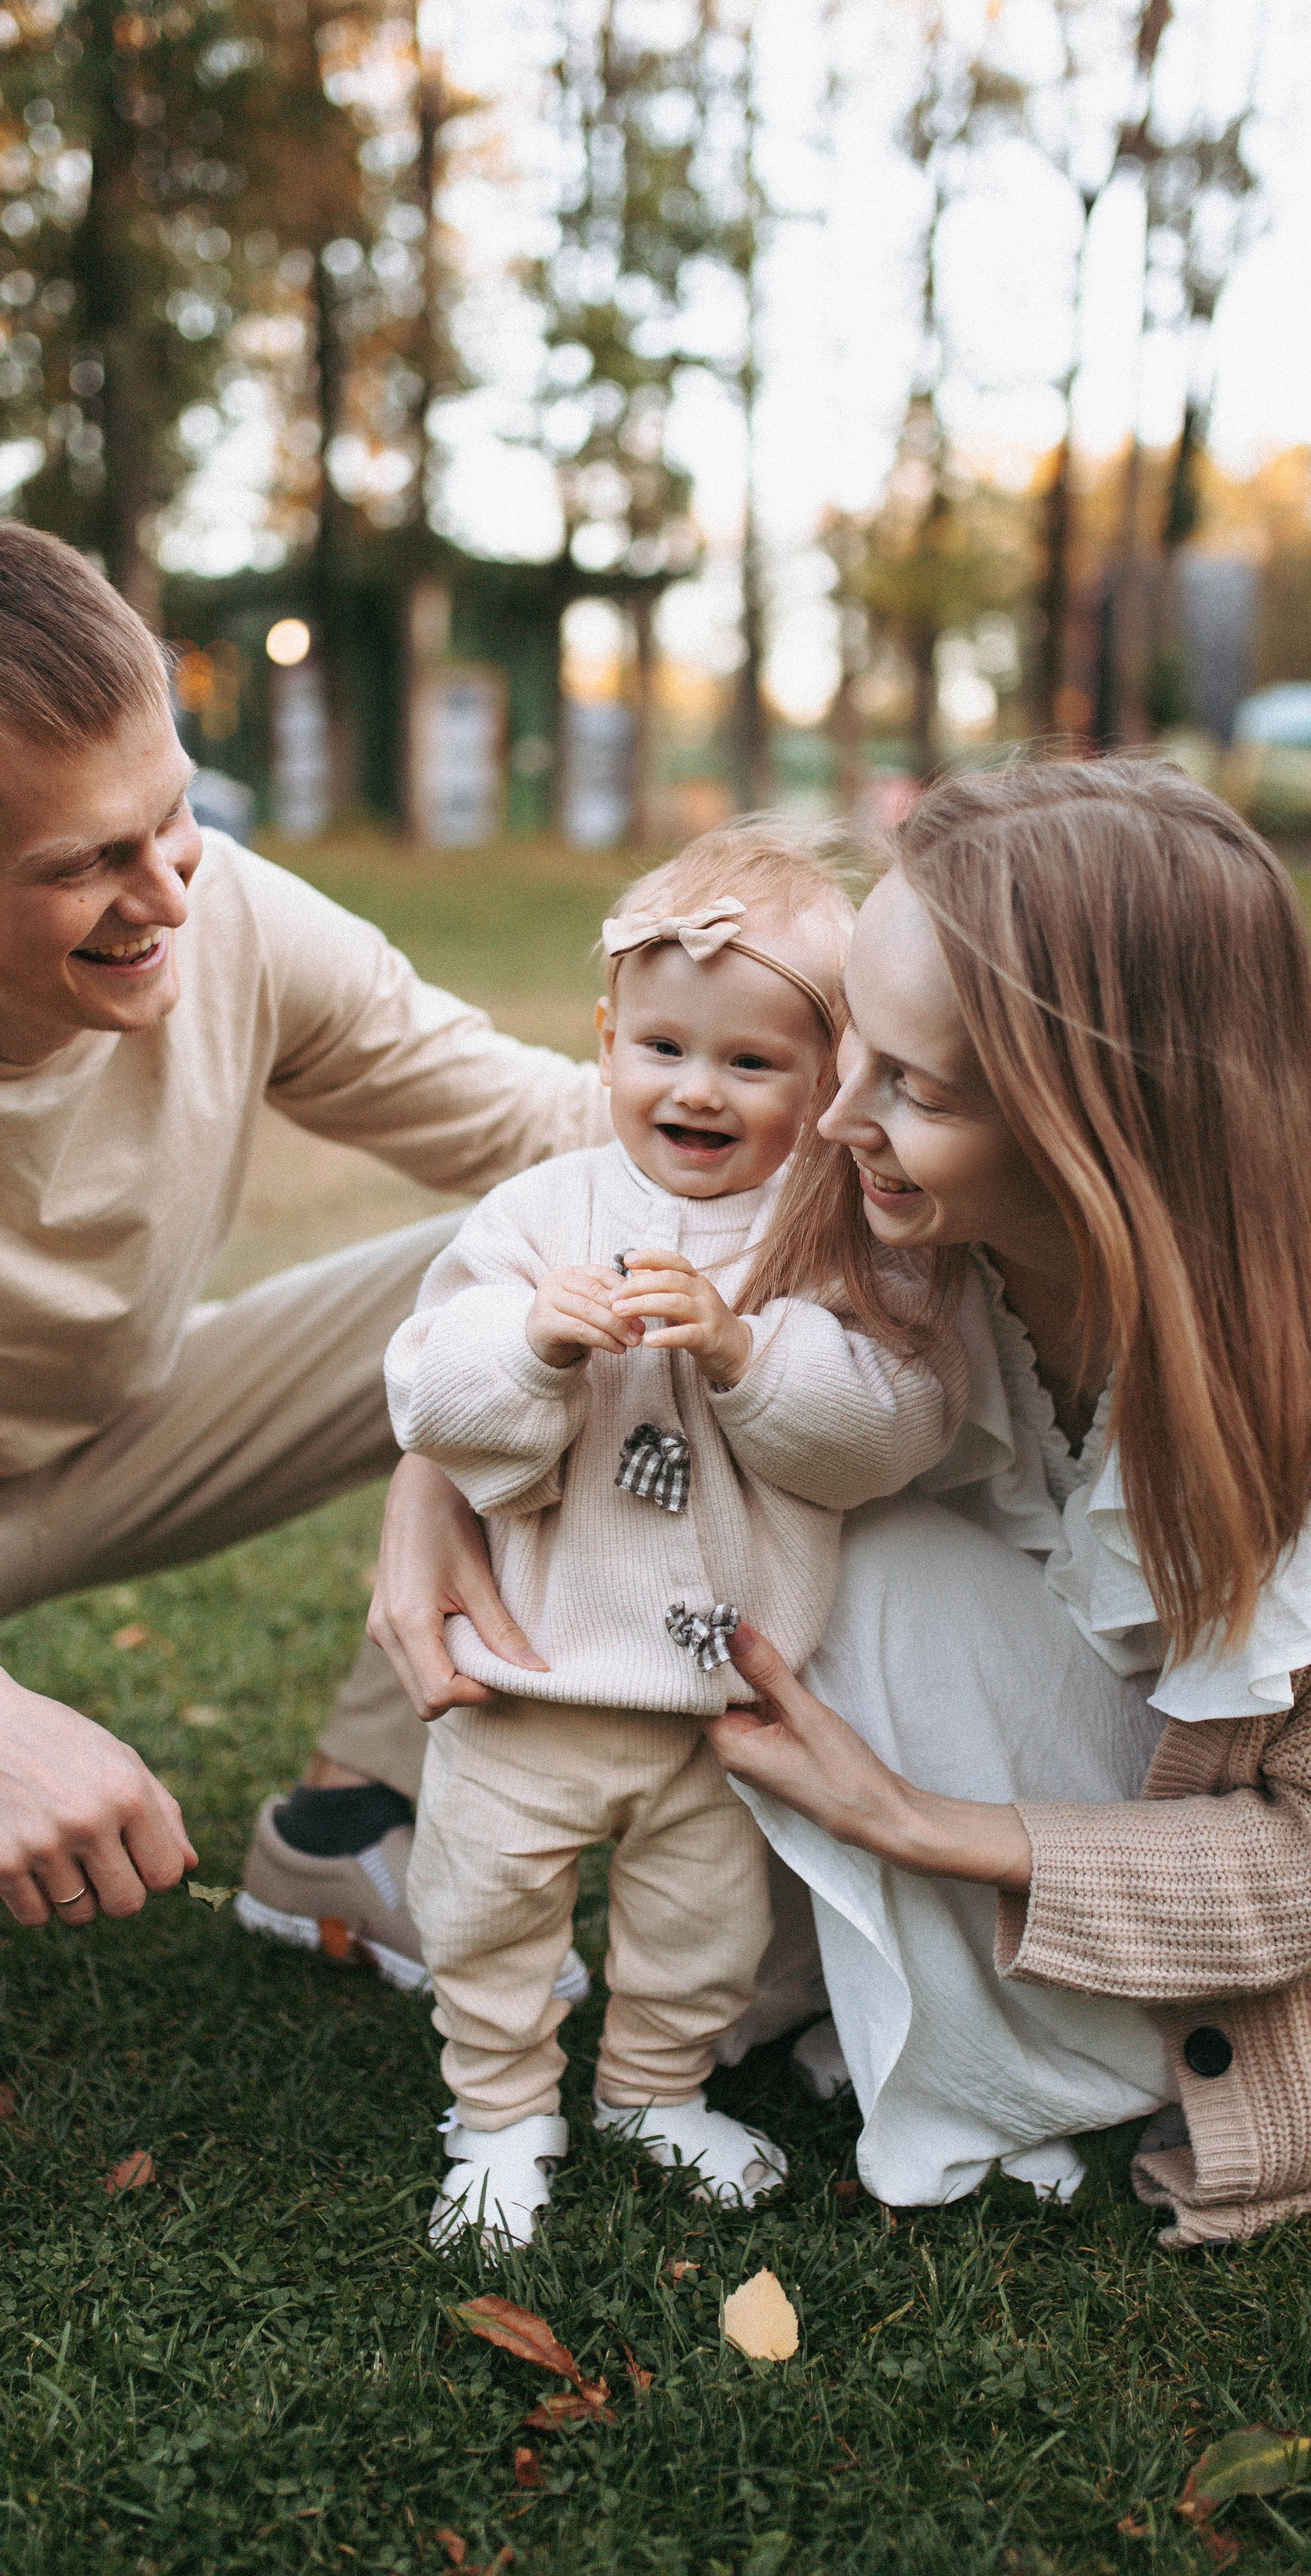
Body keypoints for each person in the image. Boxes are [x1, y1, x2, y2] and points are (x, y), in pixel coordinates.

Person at [358, 759, 1311, 2249]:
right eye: (847, 1052)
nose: (830, 1121)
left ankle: (978, 2014)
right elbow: (575, 1244)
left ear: (1097, 1123)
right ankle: (801, 1985)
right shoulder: (876, 1190)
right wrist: (428, 1482)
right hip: (980, 1741)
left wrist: (921, 1824)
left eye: (915, 1085)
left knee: (868, 1561)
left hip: (1196, 1905)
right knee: (829, 1533)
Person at [0, 520, 608, 2042]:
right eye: (84, 862)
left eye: (172, 816)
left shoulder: (236, 917)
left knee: (583, 1264)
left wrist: (879, 1129)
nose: (166, 893)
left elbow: (549, 1129)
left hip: (152, 1421)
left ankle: (348, 1830)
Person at [381, 832, 964, 2247]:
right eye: (660, 1047)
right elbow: (427, 1393)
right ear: (603, 1041)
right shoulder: (538, 1215)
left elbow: (891, 1427)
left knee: (701, 1927)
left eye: (752, 1063)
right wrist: (526, 1346)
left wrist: (750, 1356)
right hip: (530, 1677)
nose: (695, 1089)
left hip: (722, 1692)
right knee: (486, 1912)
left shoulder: (832, 1243)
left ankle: (652, 2090)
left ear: (827, 1075)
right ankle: (502, 2111)